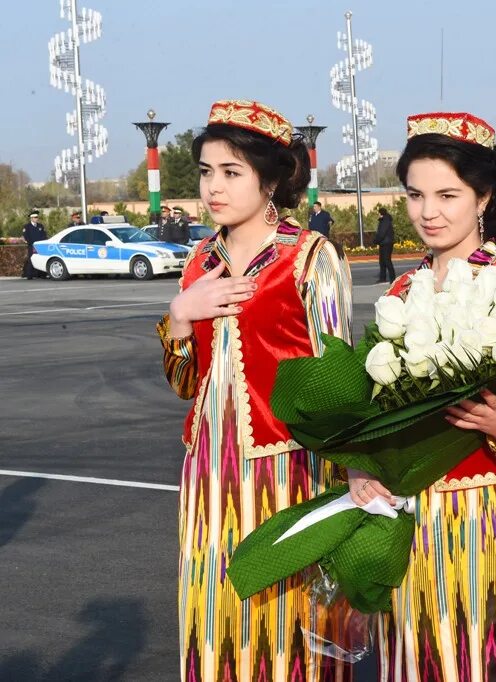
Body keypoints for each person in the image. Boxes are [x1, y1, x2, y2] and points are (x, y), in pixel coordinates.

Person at [351, 112, 496, 680]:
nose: (428, 211)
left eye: (447, 194)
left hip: (493, 510)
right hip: (411, 512)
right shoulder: (399, 292)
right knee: (418, 653)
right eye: (416, 194)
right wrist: (359, 466)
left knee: (492, 651)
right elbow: (373, 412)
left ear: (483, 196)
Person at [157, 99, 355, 682]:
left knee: (288, 623)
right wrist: (179, 317)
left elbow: (338, 375)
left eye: (231, 172)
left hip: (287, 466)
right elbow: (184, 384)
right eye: (205, 172)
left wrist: (348, 481)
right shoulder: (199, 260)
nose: (213, 187)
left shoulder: (309, 257)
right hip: (208, 469)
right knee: (214, 615)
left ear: (271, 180)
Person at [373, 205, 396, 282]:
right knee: (382, 261)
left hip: (386, 243)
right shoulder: (384, 220)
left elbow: (382, 233)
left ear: (381, 213)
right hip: (384, 243)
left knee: (386, 260)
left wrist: (376, 240)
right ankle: (383, 278)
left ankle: (392, 278)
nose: (378, 215)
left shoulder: (385, 221)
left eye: (378, 213)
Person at [22, 210, 47, 279]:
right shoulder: (27, 226)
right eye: (35, 217)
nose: (37, 218)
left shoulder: (40, 226)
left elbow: (44, 235)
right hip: (32, 246)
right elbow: (26, 236)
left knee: (41, 259)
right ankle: (29, 275)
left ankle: (42, 275)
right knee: (31, 260)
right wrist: (31, 243)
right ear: (31, 218)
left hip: (40, 246)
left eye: (37, 217)